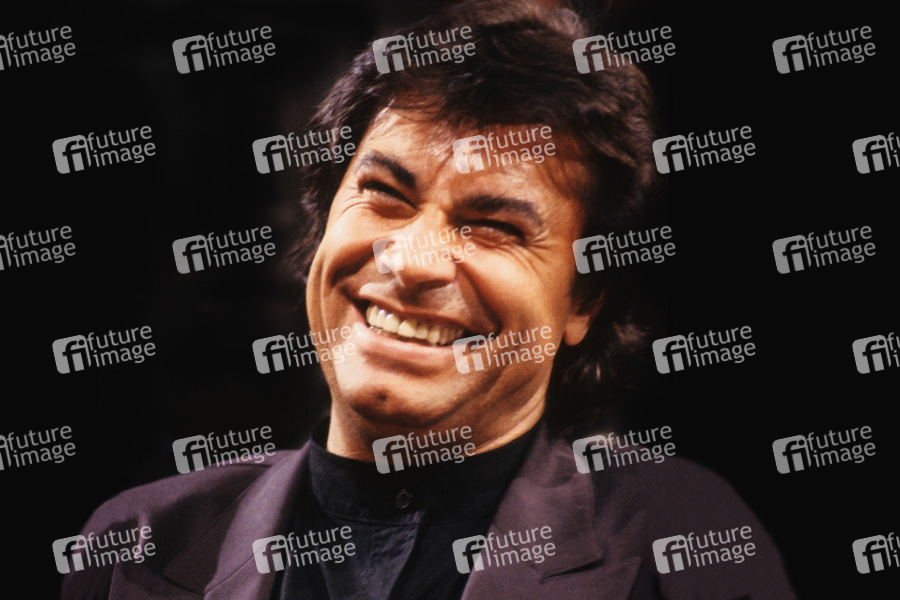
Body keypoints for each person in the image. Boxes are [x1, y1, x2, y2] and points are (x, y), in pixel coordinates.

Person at [63, 2, 796, 599]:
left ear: (584, 298)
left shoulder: (681, 542)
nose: (411, 262)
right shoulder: (135, 542)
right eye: (385, 193)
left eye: (494, 226)